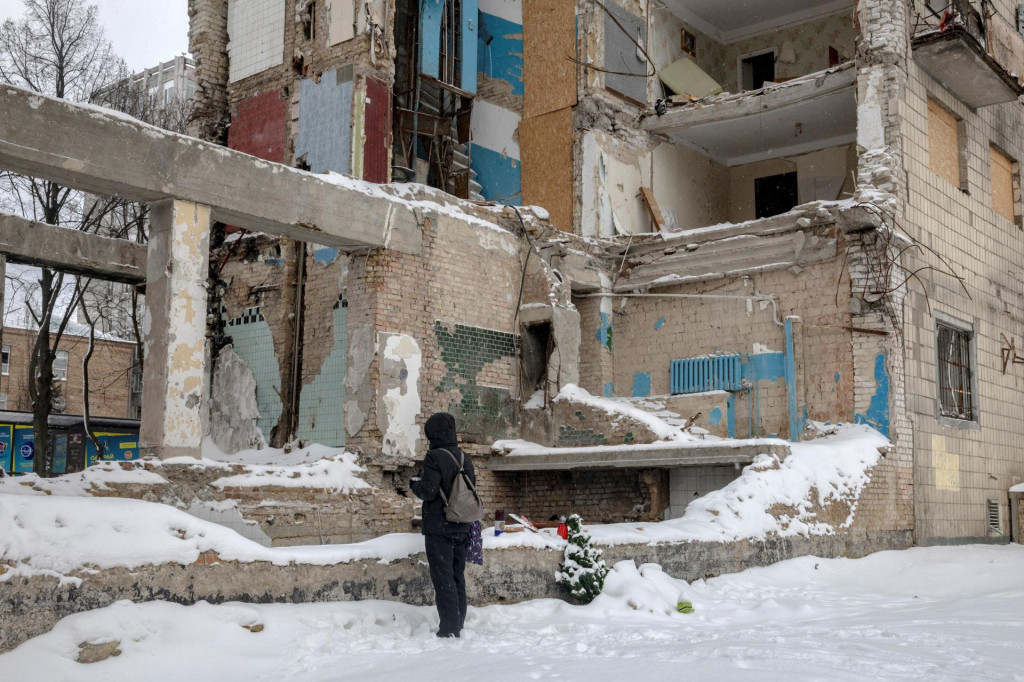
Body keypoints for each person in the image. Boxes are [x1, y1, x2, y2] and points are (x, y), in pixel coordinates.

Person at [411, 412, 476, 638]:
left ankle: (449, 627)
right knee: (457, 576)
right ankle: (458, 623)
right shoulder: (464, 458)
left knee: (443, 578)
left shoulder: (434, 457)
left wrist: (414, 484)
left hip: (440, 527)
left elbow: (429, 491)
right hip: (463, 524)